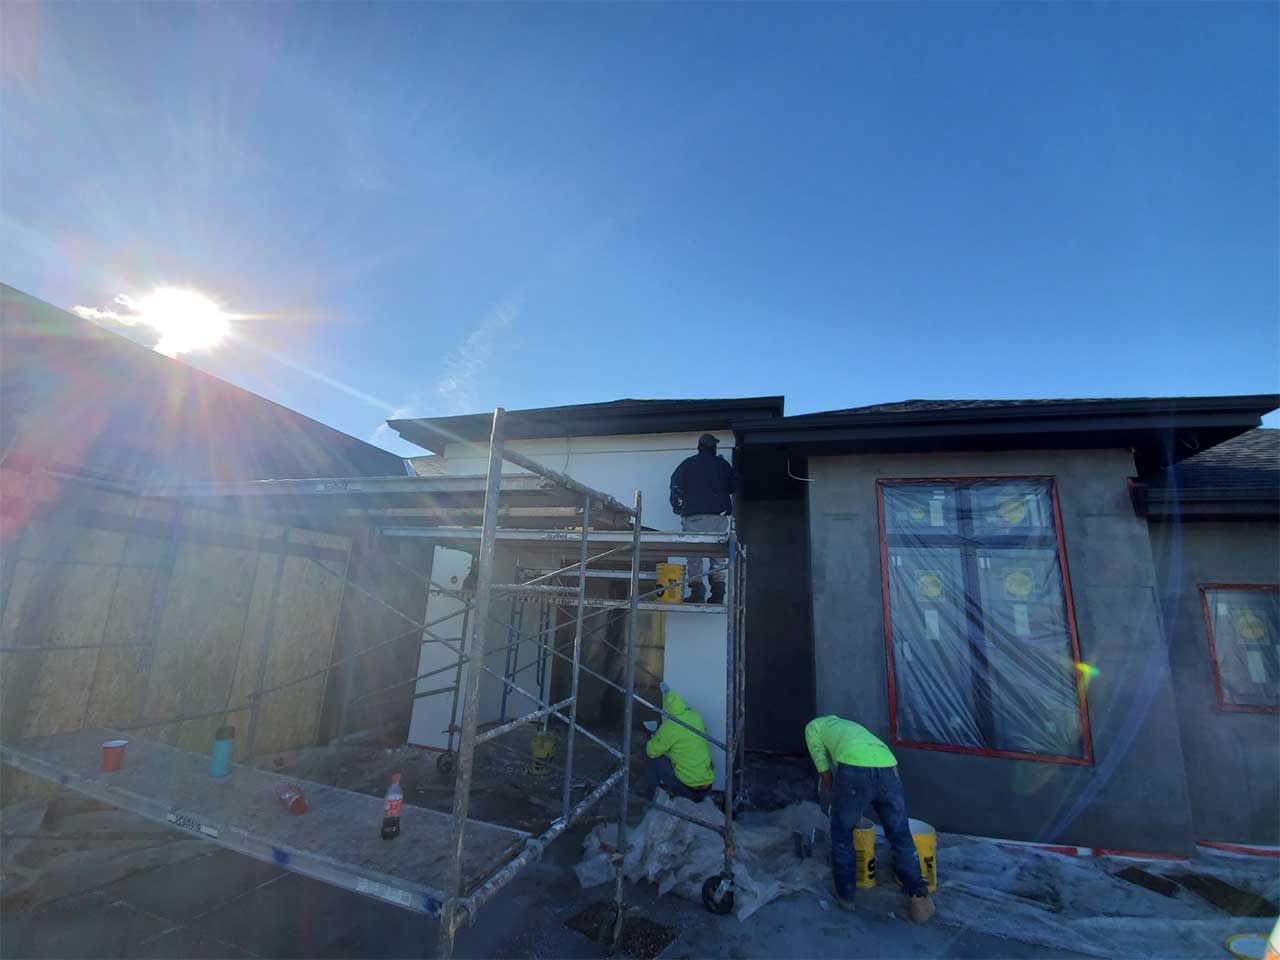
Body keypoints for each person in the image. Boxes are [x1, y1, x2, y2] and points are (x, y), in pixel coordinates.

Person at [804, 714, 935, 923]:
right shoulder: (853, 727)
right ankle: (919, 900)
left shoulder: (813, 727)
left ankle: (846, 896)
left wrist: (838, 803)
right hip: (888, 765)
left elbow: (824, 770)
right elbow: (886, 774)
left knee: (841, 833)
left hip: (853, 768)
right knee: (900, 835)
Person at [669, 434, 735, 603]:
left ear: (699, 447)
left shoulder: (688, 464)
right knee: (718, 555)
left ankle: (697, 593)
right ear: (713, 448)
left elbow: (675, 485)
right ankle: (718, 594)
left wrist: (676, 505)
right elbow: (734, 486)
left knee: (694, 554)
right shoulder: (722, 465)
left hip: (693, 517)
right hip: (718, 516)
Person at [644, 683, 715, 802]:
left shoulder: (669, 728)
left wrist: (655, 737)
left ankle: (651, 800)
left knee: (651, 758)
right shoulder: (696, 717)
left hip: (688, 791)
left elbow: (651, 751)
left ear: (667, 711)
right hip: (707, 786)